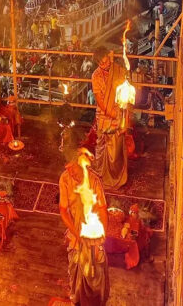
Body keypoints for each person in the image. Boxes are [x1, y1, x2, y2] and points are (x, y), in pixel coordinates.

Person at [59, 148, 109, 305]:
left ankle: (95, 300)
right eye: (67, 168)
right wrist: (76, 234)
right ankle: (78, 298)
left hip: (92, 232)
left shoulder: (93, 181)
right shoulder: (65, 179)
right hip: (76, 233)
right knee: (76, 266)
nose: (70, 172)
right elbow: (63, 210)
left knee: (96, 270)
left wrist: (102, 235)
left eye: (72, 167)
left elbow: (102, 209)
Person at [89, 53, 129, 189]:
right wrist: (111, 114)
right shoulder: (96, 76)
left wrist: (120, 115)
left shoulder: (117, 70)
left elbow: (125, 91)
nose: (106, 65)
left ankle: (116, 177)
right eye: (102, 63)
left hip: (118, 112)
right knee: (101, 146)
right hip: (104, 115)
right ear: (98, 64)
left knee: (116, 148)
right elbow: (99, 100)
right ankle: (101, 174)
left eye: (107, 61)